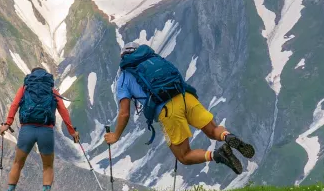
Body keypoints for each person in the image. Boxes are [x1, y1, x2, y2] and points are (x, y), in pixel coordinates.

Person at [104, 43, 255, 174]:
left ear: (124, 58)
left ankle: (218, 155)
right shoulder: (156, 60)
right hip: (185, 97)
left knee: (184, 156)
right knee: (213, 131)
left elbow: (124, 113)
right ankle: (228, 137)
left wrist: (115, 135)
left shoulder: (124, 77)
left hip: (168, 111)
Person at [0, 67, 79, 191]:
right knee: (48, 166)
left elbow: (14, 105)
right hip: (46, 131)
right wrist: (72, 132)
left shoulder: (25, 87)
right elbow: (63, 111)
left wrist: (7, 123)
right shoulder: (51, 90)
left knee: (17, 164)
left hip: (27, 130)